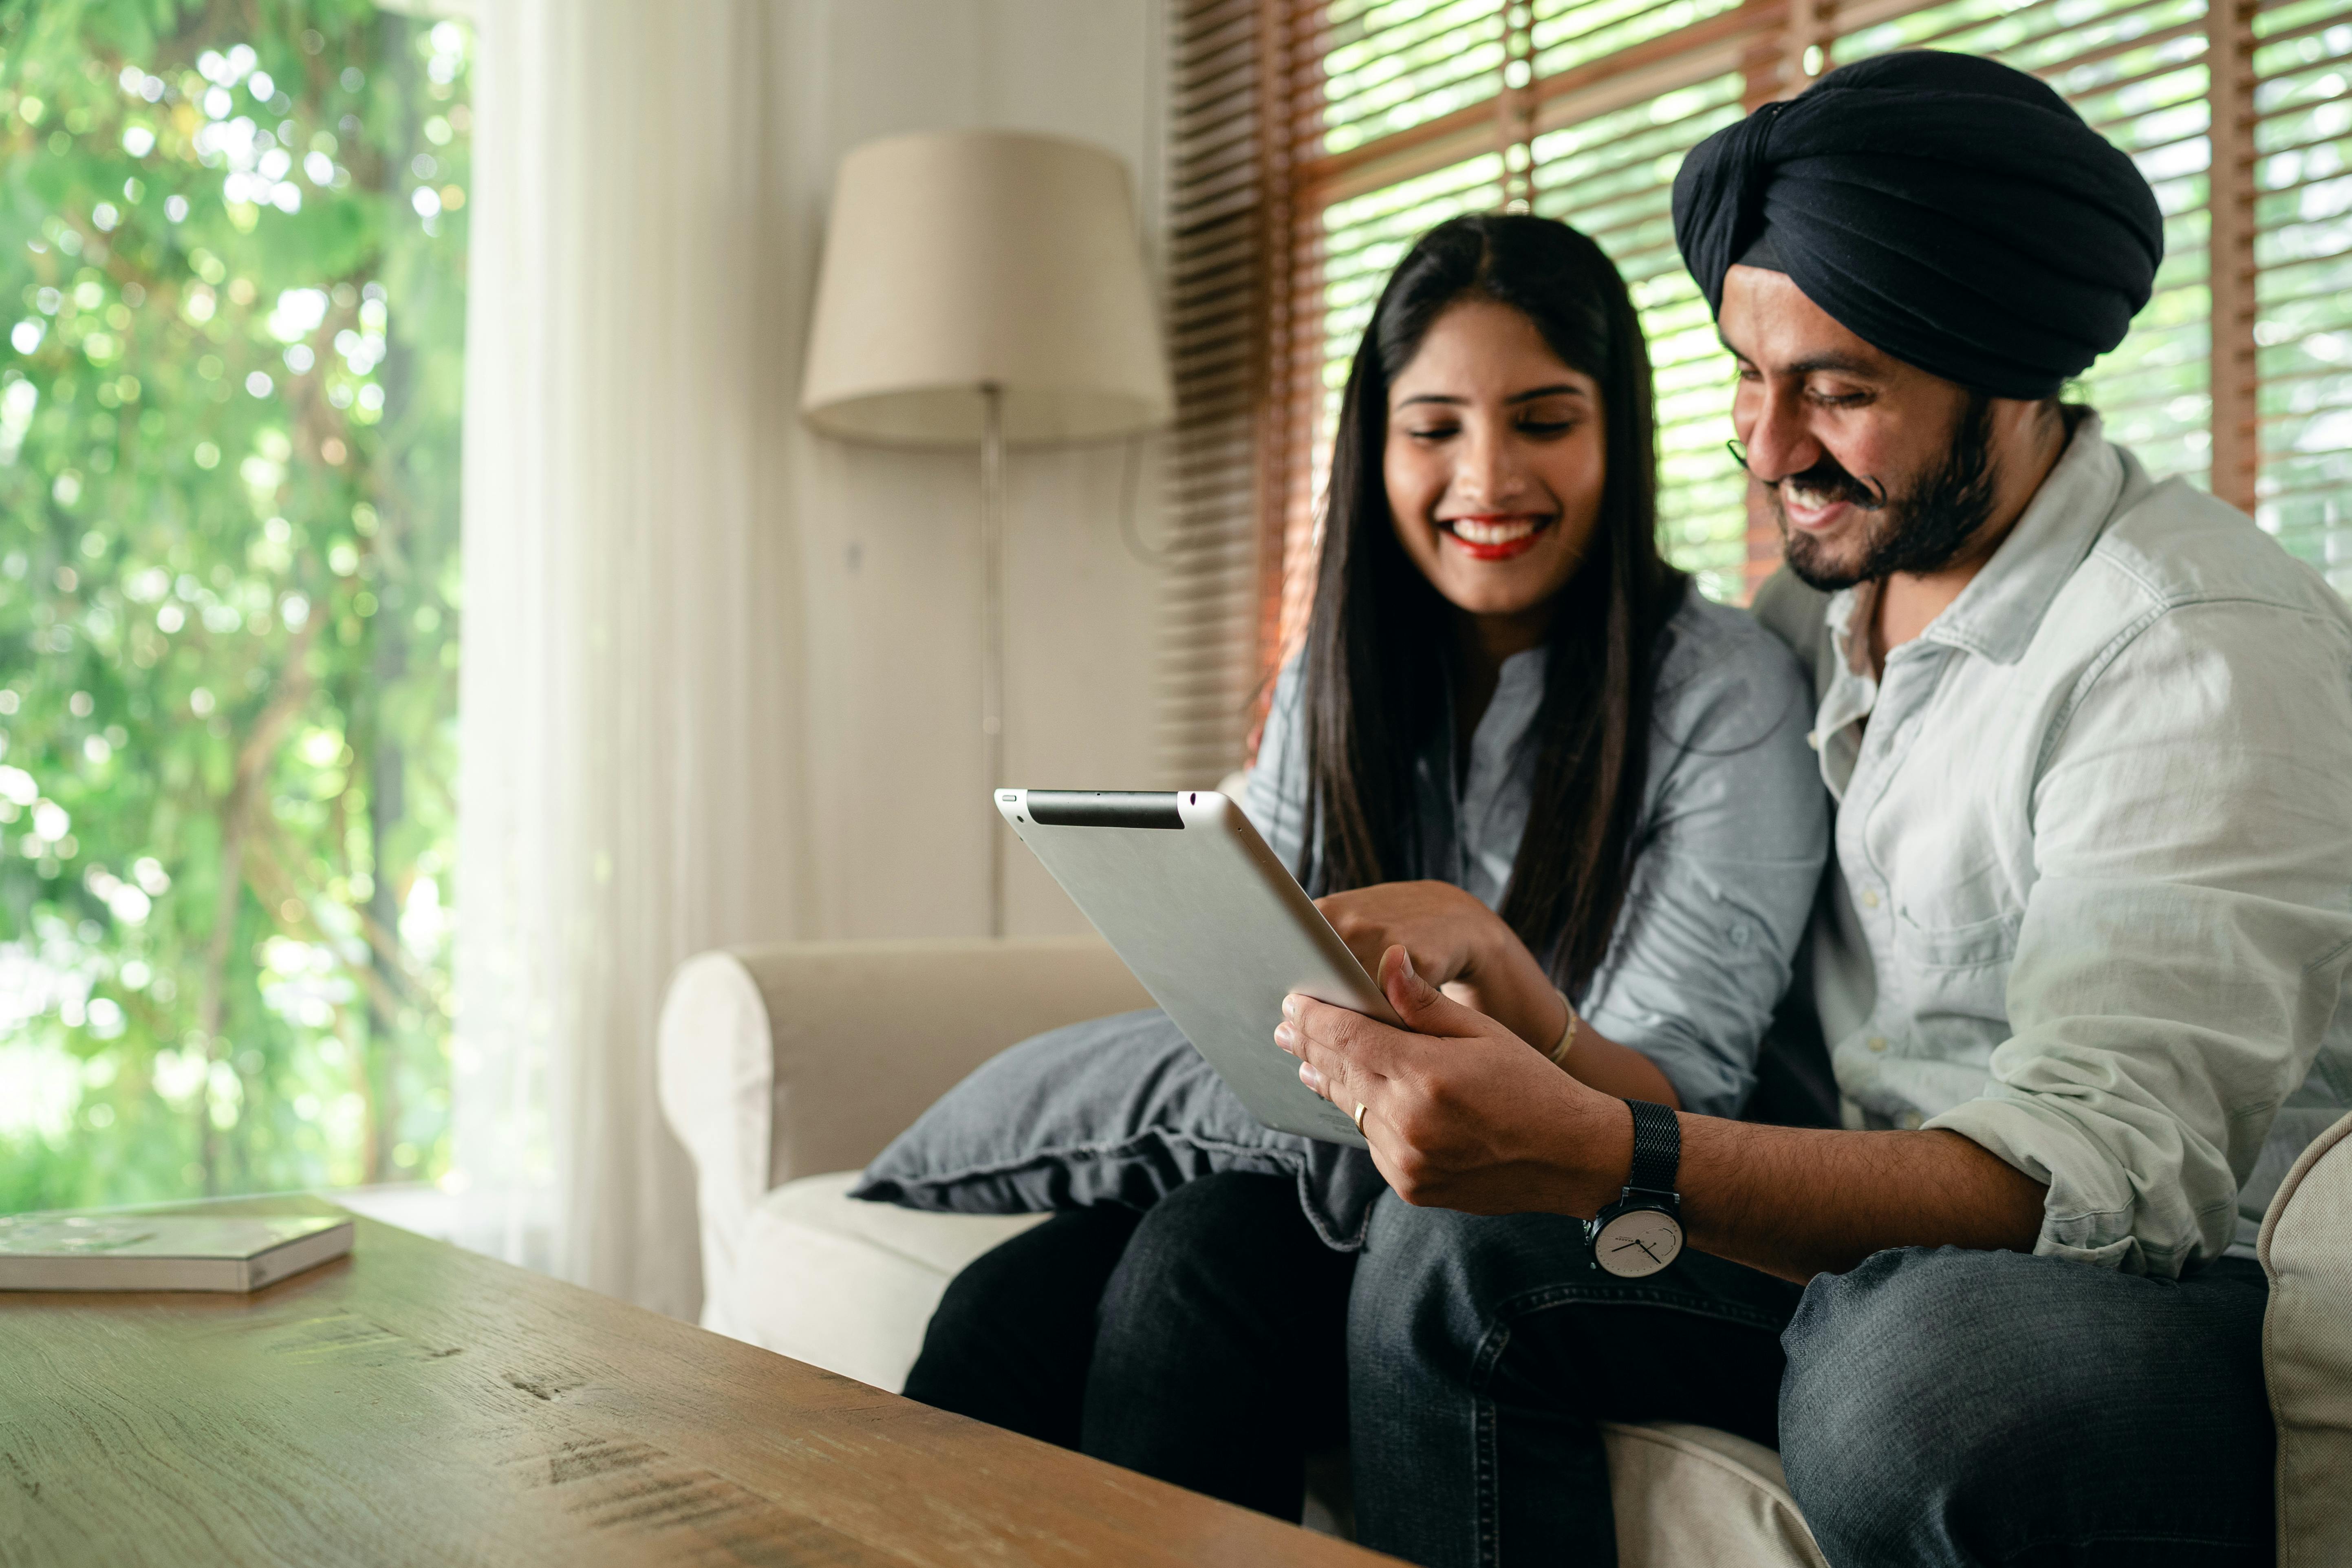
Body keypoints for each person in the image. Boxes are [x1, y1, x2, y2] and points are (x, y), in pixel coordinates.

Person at [1274, 50, 2352, 1568]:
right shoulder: (1806, 622)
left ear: (2015, 372)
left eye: (1838, 391)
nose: (1767, 447)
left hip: (2193, 1284)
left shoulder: (2189, 640)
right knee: (1451, 1252)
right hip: (1886, 1241)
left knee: (1914, 1381)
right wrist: (1535, 1012)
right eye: (1748, 371)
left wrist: (1615, 1154)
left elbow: (2103, 1176)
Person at [900, 214, 1828, 1526]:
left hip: (1579, 1213)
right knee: (1003, 1307)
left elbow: (1679, 1103)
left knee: (1196, 1264)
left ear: (1617, 433)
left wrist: (1494, 966)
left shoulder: (1719, 688)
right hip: (1359, 1171)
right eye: (1434, 427)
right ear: (1375, 447)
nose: (1486, 478)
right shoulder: (1333, 678)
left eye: (1544, 420)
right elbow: (1250, 968)